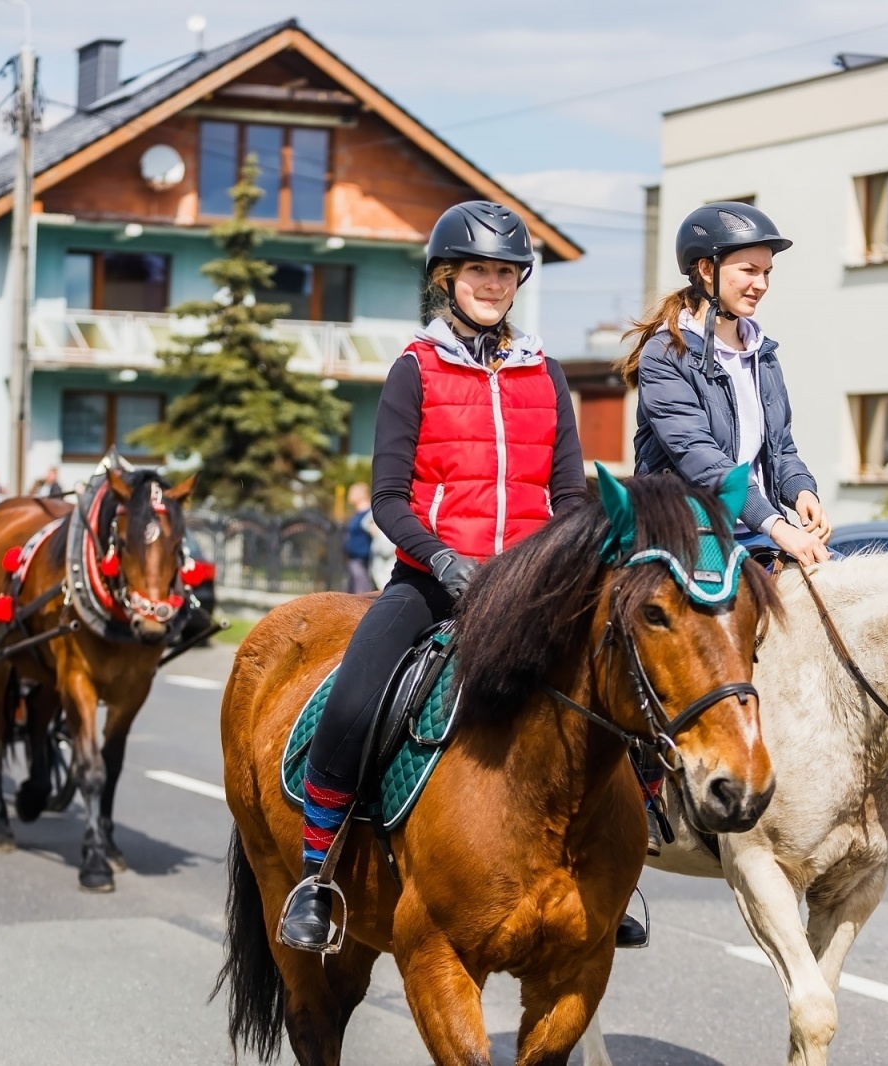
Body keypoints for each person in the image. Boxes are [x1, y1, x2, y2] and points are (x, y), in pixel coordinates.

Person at [278, 200, 642, 952]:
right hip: (433, 580)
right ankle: (317, 875)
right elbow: (387, 497)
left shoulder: (544, 373)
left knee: (627, 682)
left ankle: (617, 872)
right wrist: (442, 558)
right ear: (448, 278)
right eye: (478, 269)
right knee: (351, 701)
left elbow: (570, 495)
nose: (492, 283)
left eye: (505, 272)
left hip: (532, 586)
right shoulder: (415, 368)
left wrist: (562, 564)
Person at [620, 202, 831, 566]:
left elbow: (781, 448)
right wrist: (779, 526)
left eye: (767, 272)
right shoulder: (665, 354)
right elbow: (700, 457)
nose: (761, 284)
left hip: (757, 530)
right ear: (705, 269)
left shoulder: (763, 354)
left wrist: (801, 490)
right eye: (749, 270)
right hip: (688, 532)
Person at [342, 482, 375, 594]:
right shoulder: (355, 514)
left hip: (362, 559)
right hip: (352, 558)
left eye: (351, 493)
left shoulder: (370, 514)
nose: (349, 496)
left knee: (361, 592)